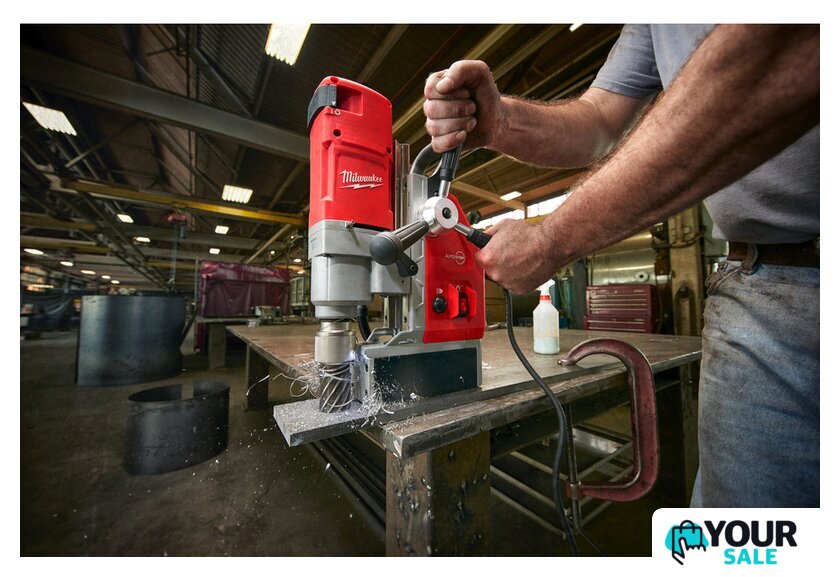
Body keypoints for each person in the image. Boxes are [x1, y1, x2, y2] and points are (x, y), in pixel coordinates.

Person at [423, 24, 819, 507]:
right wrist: (502, 121)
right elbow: (598, 121)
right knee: (745, 528)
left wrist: (549, 240)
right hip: (759, 290)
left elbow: (777, 51)